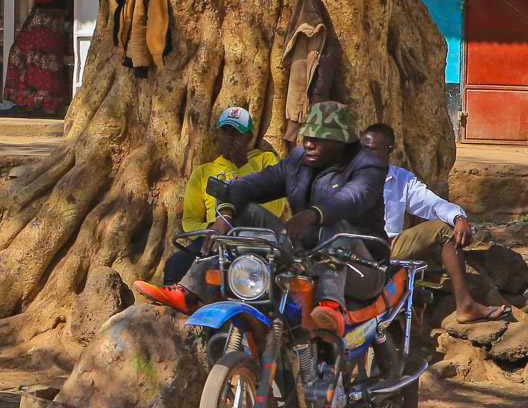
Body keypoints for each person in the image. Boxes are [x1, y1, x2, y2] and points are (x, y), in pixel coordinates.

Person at [136, 101, 387, 337]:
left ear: (343, 141)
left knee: (337, 226)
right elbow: (249, 185)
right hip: (305, 254)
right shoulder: (298, 160)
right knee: (244, 211)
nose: (309, 143)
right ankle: (189, 291)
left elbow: (353, 198)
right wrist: (224, 216)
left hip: (361, 266)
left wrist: (312, 214)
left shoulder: (368, 164)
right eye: (308, 136)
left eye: (320, 138)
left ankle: (330, 305)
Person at [360, 122, 508, 324]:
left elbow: (434, 204)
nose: (365, 155)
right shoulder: (348, 175)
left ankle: (465, 305)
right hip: (353, 246)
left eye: (372, 150)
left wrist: (459, 217)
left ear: (389, 150)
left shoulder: (401, 179)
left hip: (389, 247)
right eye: (363, 149)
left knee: (446, 227)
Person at [162, 107, 286, 285]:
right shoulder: (204, 172)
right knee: (176, 263)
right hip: (214, 237)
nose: (230, 137)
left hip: (253, 236)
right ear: (218, 135)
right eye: (226, 131)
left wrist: (243, 164)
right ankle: (172, 308)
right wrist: (211, 227)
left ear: (249, 138)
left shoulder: (265, 161)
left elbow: (274, 208)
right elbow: (189, 221)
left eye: (237, 132)